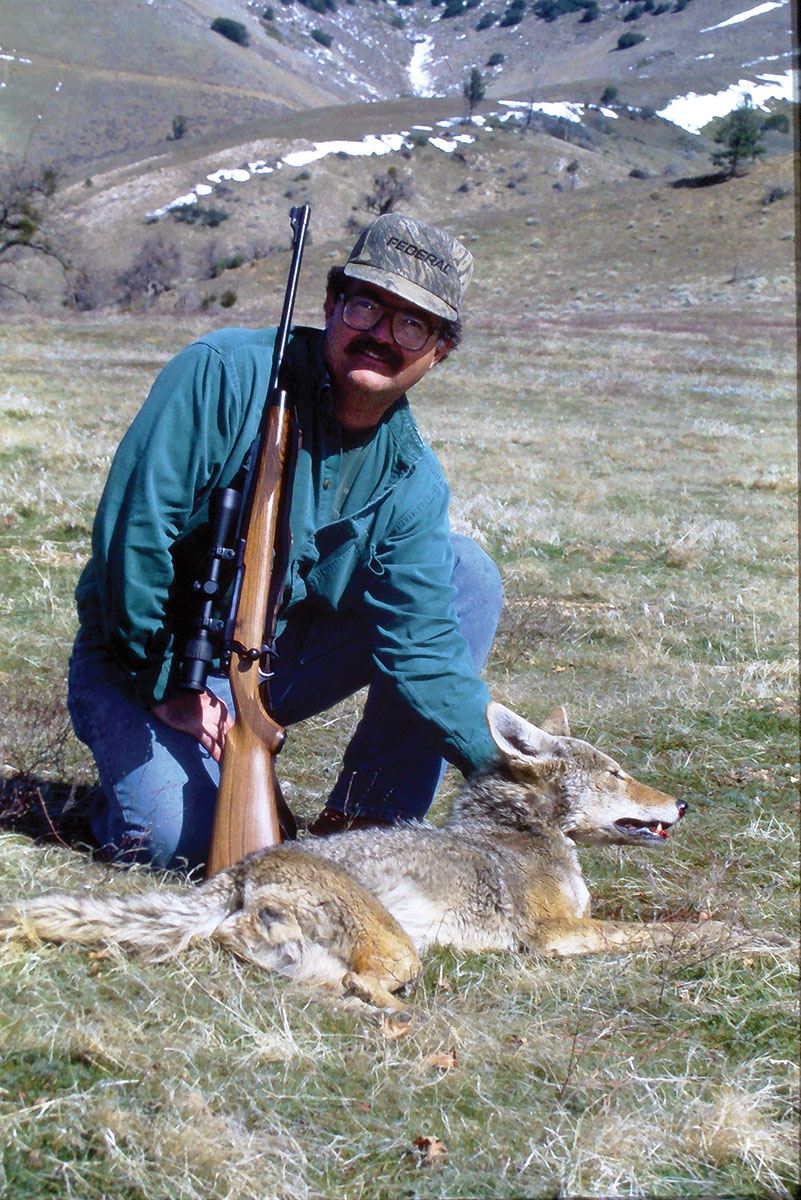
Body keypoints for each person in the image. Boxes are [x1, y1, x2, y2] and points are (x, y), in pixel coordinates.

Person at [68, 213, 503, 871]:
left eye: (411, 324)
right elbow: (135, 535)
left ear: (438, 350)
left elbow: (426, 653)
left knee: (466, 573)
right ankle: (128, 792)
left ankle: (367, 823)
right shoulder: (220, 373)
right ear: (331, 304)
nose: (381, 337)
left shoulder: (412, 477)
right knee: (174, 848)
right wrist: (167, 680)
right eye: (365, 306)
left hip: (274, 664)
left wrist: (515, 768)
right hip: (149, 653)